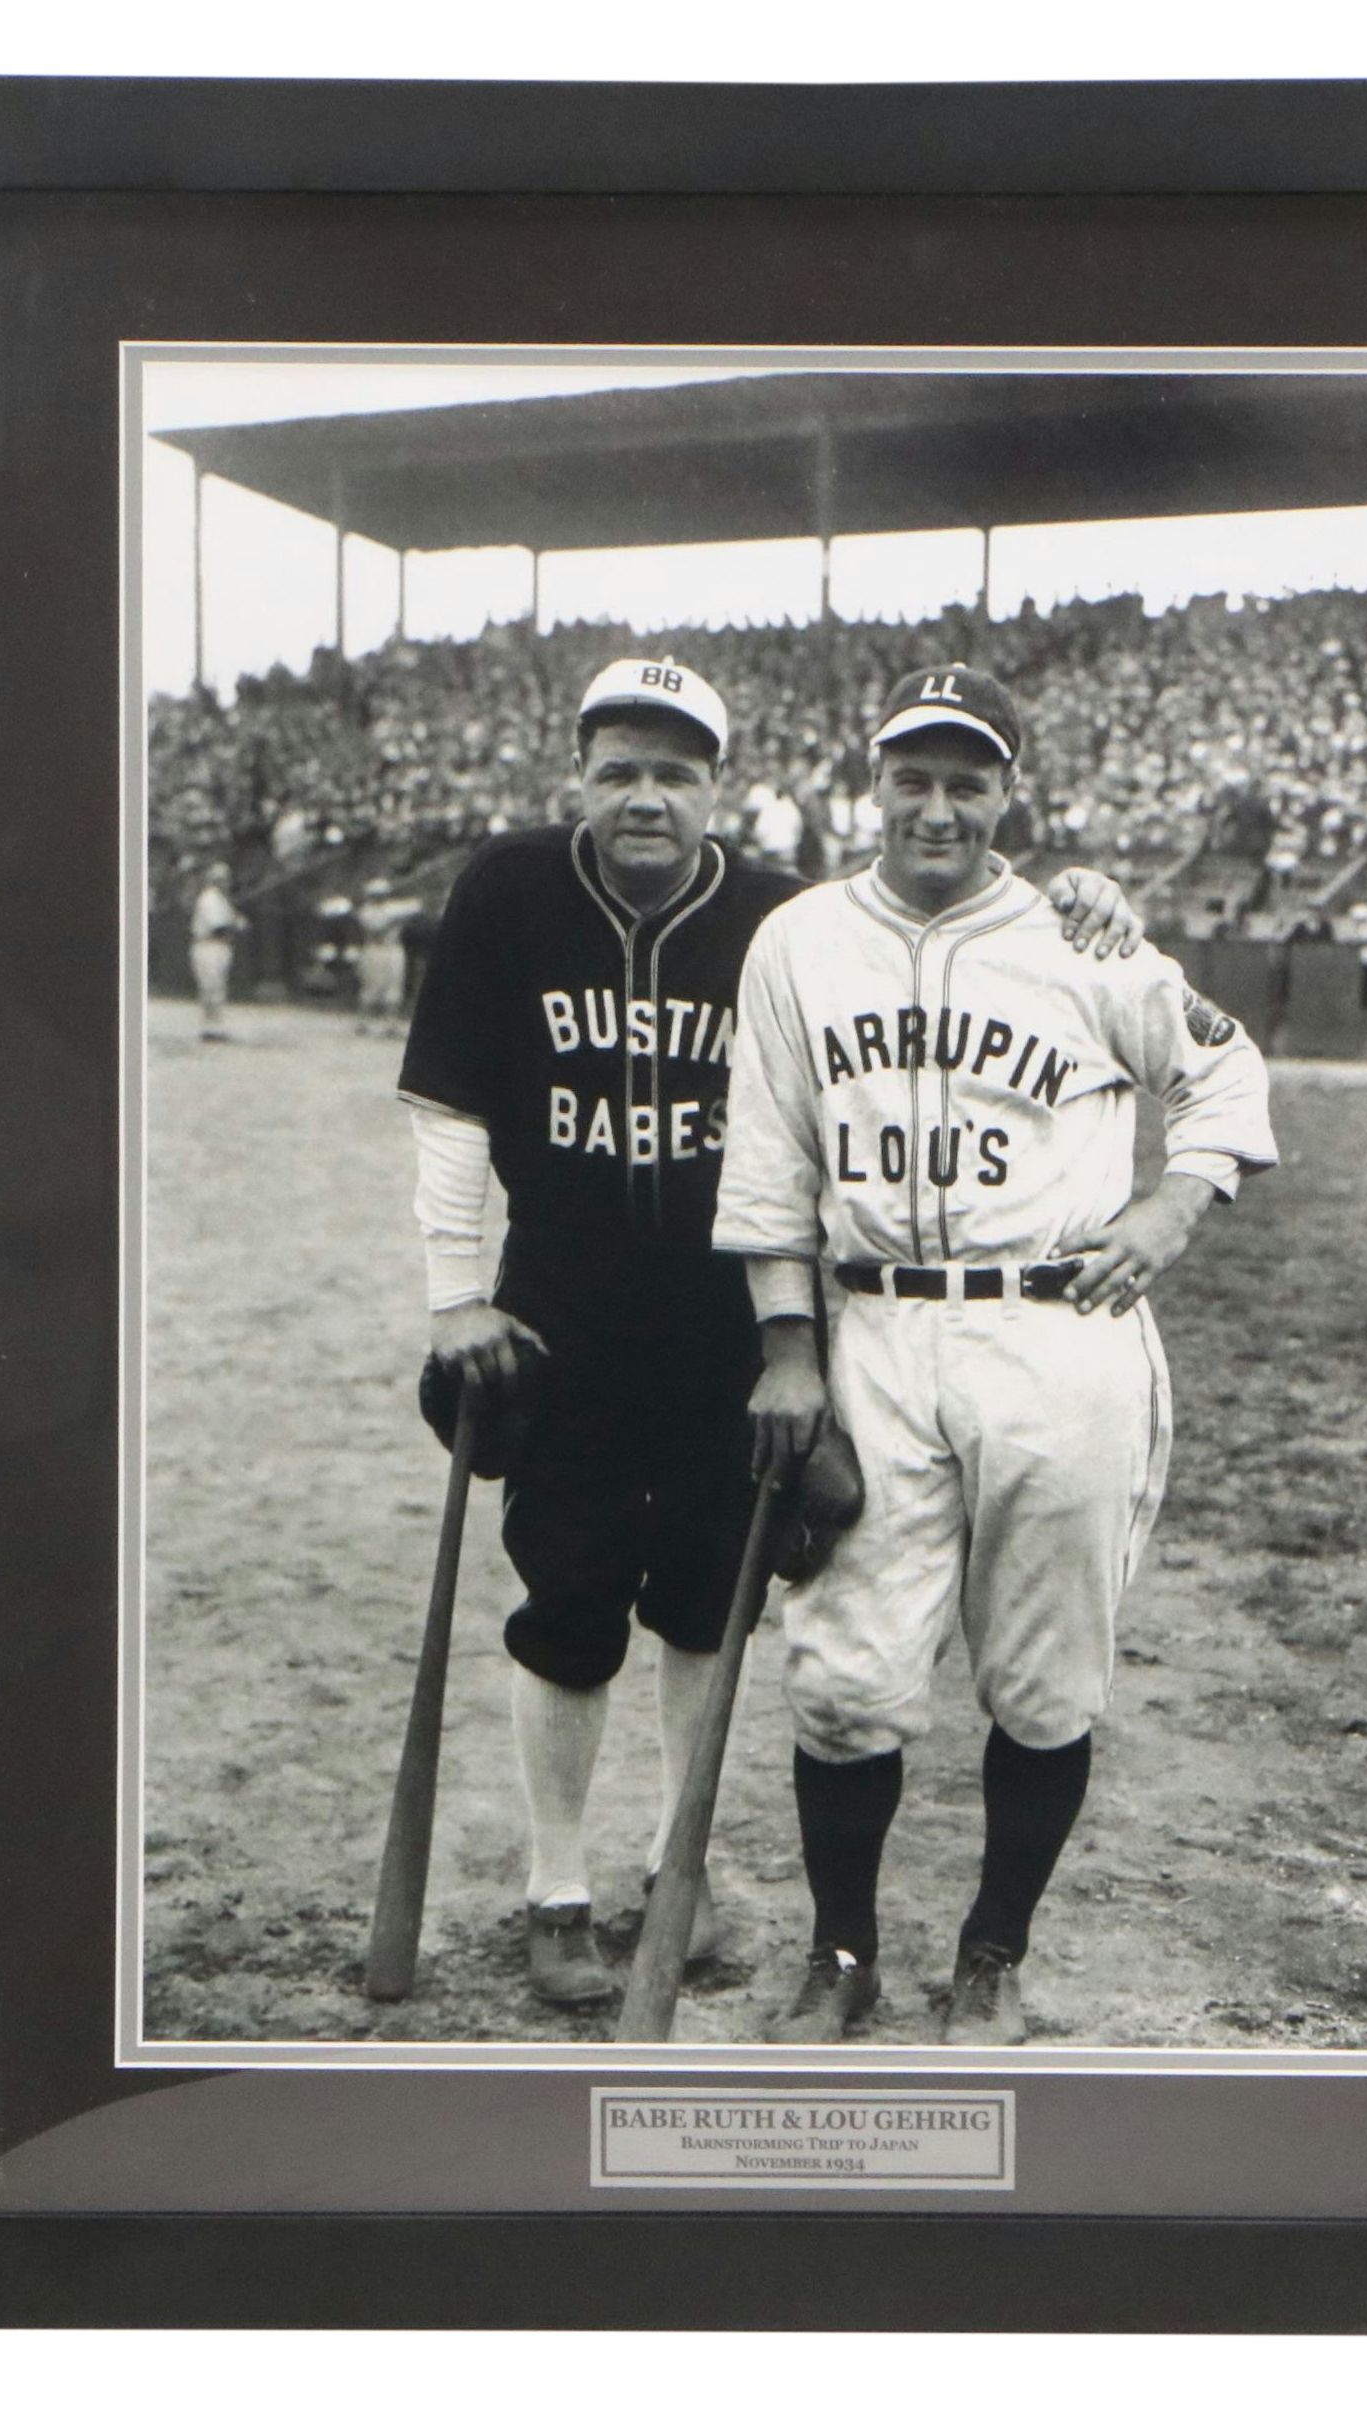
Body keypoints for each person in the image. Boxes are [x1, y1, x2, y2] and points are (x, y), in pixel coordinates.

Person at [397, 656, 1147, 2012]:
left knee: (707, 1604)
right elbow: (449, 1106)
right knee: (565, 1607)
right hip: (554, 1303)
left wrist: (1085, 895)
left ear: (717, 788)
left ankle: (671, 1868)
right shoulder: (507, 889)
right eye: (619, 767)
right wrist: (456, 1291)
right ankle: (557, 1888)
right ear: (578, 774)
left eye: (675, 772)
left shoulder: (772, 916)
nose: (645, 796)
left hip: (725, 1315)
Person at [715, 663, 1279, 2047]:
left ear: (1006, 794)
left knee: (1041, 1672)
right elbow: (769, 1158)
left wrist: (1167, 1207)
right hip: (875, 1330)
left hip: (1053, 1328)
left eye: (967, 779)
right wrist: (787, 1350)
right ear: (875, 781)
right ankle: (840, 1950)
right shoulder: (795, 941)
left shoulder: (1083, 938)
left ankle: (991, 1953)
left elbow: (1225, 1069)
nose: (936, 804)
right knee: (845, 1675)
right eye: (912, 774)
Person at [188, 860, 245, 1041]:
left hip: (221, 946)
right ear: (213, 880)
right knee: (210, 987)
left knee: (218, 988)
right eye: (220, 878)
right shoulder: (209, 898)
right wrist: (236, 924)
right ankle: (209, 1028)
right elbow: (218, 927)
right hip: (208, 946)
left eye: (226, 878)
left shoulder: (222, 899)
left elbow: (234, 922)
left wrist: (237, 922)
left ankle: (215, 1028)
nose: (225, 882)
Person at [354, 876, 412, 1038]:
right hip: (374, 950)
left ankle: (391, 1024)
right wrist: (393, 921)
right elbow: (375, 930)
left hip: (393, 949)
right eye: (376, 894)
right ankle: (362, 1022)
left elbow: (415, 907)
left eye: (382, 893)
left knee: (394, 987)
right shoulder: (366, 911)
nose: (380, 897)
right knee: (371, 986)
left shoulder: (393, 908)